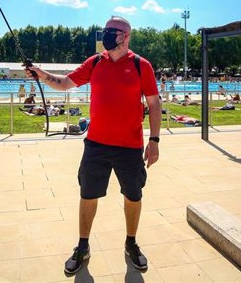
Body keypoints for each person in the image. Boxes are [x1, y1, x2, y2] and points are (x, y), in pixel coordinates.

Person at [25, 16, 161, 275]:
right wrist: (42, 75)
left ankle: (131, 243)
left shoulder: (141, 65)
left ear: (127, 36)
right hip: (96, 145)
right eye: (106, 30)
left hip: (130, 146)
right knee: (88, 195)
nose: (107, 35)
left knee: (133, 196)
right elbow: (65, 83)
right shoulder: (95, 62)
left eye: (114, 31)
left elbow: (154, 104)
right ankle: (83, 246)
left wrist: (154, 141)